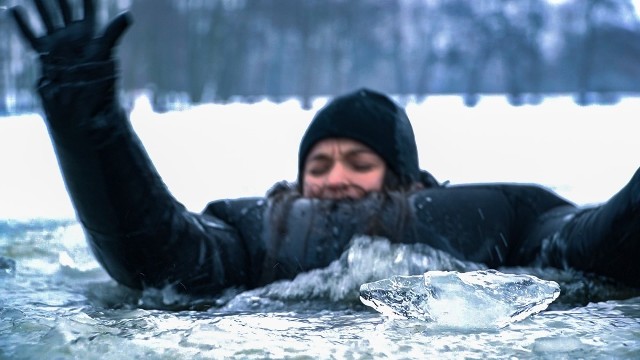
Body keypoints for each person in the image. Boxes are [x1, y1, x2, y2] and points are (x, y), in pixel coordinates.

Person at [9, 0, 640, 296]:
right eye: (318, 164)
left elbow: (597, 244)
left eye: (360, 163)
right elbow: (157, 257)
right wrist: (90, 128)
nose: (335, 178)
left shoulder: (501, 217)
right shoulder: (249, 230)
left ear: (410, 177)